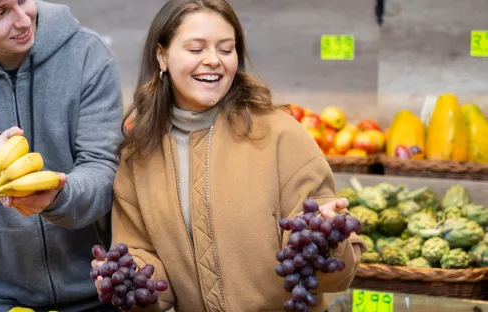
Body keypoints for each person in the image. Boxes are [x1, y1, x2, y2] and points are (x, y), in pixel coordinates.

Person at [94, 0, 366, 311]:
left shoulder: (281, 135)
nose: (213, 60)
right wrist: (127, 278)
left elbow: (335, 273)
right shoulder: (139, 154)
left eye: (226, 49)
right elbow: (143, 259)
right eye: (196, 49)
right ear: (162, 56)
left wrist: (326, 239)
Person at [0, 0, 123, 311]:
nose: (23, 20)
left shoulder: (87, 53)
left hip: (100, 287)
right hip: (9, 296)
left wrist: (61, 196)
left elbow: (104, 167)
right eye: (1, 12)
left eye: (21, 1)